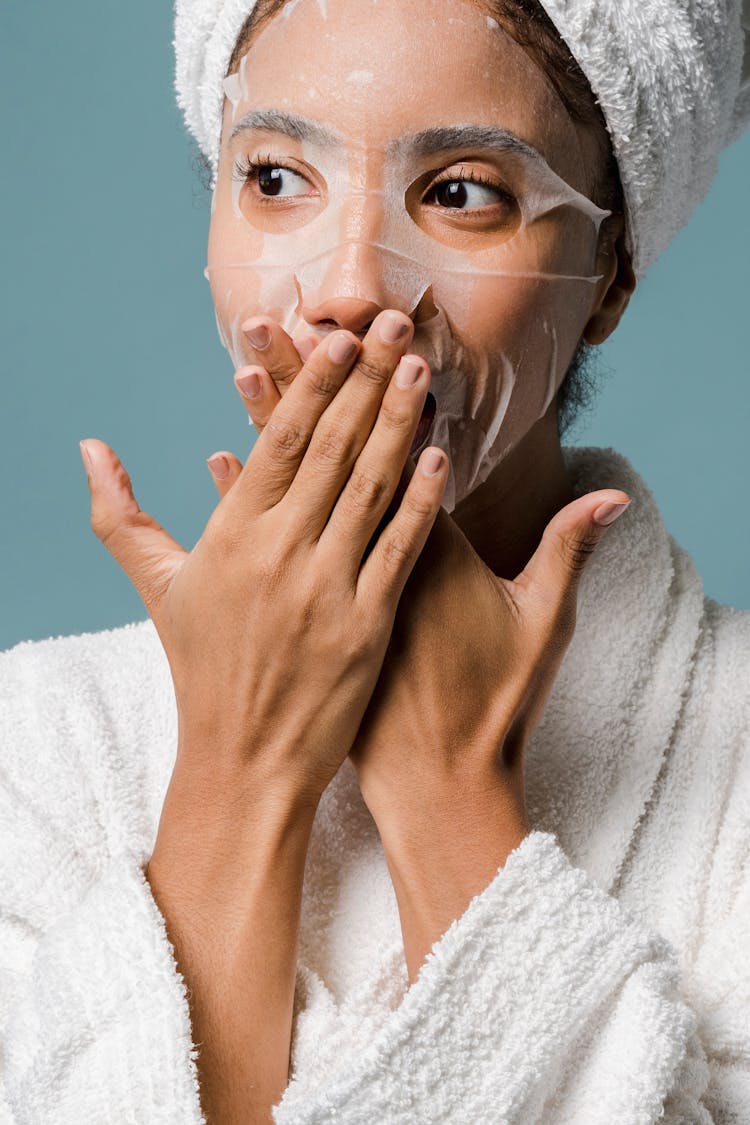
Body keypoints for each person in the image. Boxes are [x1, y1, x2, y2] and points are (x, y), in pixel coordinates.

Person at [1, 0, 748, 1121]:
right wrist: (239, 764)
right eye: (275, 178)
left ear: (609, 274)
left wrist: (450, 796)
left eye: (460, 192)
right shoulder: (38, 747)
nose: (350, 286)